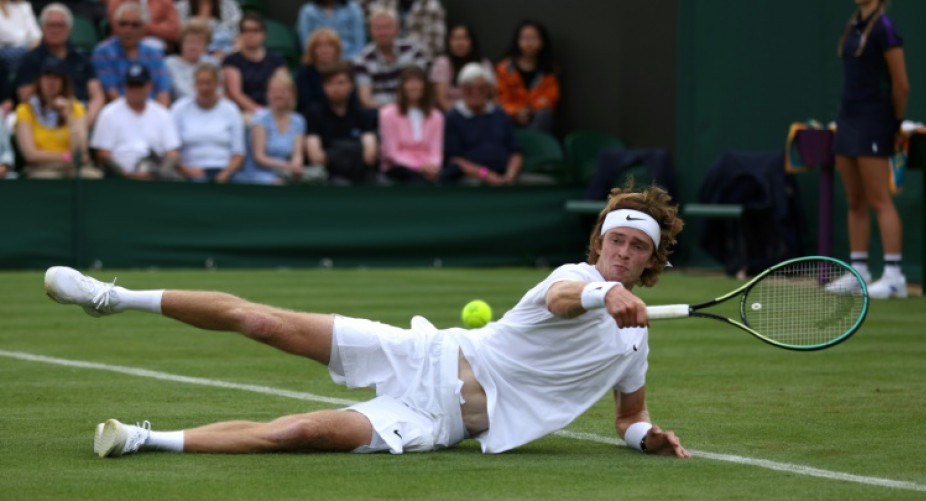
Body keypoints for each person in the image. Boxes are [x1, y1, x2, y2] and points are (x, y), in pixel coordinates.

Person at [43, 183, 690, 459]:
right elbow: (564, 299)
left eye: (636, 248)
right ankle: (112, 295)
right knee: (262, 322)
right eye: (614, 238)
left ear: (650, 262)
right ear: (599, 241)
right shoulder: (571, 280)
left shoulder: (634, 338)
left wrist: (645, 437)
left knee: (297, 432)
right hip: (422, 354)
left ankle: (141, 438)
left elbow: (628, 415)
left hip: (439, 423)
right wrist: (603, 295)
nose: (620, 251)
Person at [826, 0, 910, 300]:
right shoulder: (854, 24)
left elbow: (901, 85)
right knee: (855, 200)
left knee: (879, 198)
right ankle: (858, 272)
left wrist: (893, 122)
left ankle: (894, 276)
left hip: (874, 121)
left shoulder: (885, 28)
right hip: (847, 120)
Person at [15, 2, 105, 123]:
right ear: (42, 28)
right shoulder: (31, 59)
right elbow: (25, 96)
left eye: (60, 25)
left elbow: (97, 96)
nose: (55, 30)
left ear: (70, 29)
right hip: (43, 115)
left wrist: (86, 120)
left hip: (81, 112)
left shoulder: (81, 57)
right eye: (51, 25)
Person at [91, 61, 180, 180]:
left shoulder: (162, 114)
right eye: (131, 85)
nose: (135, 90)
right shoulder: (109, 113)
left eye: (139, 85)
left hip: (155, 175)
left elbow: (172, 153)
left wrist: (161, 173)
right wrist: (125, 174)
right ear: (125, 86)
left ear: (150, 86)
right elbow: (102, 154)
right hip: (119, 178)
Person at [14, 57, 99, 178]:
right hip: (41, 168)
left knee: (91, 177)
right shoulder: (25, 109)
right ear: (39, 80)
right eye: (47, 76)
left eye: (56, 77)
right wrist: (66, 157)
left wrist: (68, 117)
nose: (51, 82)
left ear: (64, 81)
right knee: (47, 178)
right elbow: (30, 155)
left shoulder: (76, 108)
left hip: (73, 168)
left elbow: (81, 152)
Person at [442, 62, 522, 185]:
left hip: (506, 176)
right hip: (471, 180)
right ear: (461, 90)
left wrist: (511, 174)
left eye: (481, 88)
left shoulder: (500, 114)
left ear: (488, 90)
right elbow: (454, 160)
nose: (475, 92)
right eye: (469, 89)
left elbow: (515, 152)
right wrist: (485, 174)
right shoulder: (453, 118)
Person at [233, 69, 313, 185]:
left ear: (292, 94)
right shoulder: (260, 119)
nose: (278, 95)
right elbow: (259, 157)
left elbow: (297, 154)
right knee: (280, 184)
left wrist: (295, 165)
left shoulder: (298, 120)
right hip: (255, 173)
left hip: (285, 172)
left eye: (283, 91)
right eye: (274, 91)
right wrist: (287, 166)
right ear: (268, 94)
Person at [304, 60, 377, 184]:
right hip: (330, 177)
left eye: (341, 83)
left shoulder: (363, 114)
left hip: (360, 174)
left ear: (352, 85)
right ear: (323, 86)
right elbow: (316, 157)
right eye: (330, 83)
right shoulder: (313, 113)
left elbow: (370, 155)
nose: (336, 88)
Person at [171, 61, 244, 183]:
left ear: (218, 84)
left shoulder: (231, 109)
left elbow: (238, 153)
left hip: (223, 170)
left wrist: (225, 173)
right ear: (194, 84)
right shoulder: (179, 109)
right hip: (190, 172)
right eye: (200, 83)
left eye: (209, 83)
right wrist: (186, 170)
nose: (204, 88)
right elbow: (172, 150)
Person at [92, 0, 172, 106]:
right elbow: (111, 93)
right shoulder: (103, 52)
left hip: (152, 113)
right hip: (119, 113)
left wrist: (157, 117)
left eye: (135, 25)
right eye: (123, 24)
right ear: (115, 26)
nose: (128, 29)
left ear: (144, 28)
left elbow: (163, 92)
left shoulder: (155, 53)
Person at [359, 0, 444, 58]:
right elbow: (358, 13)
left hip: (418, 64)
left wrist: (411, 60)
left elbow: (435, 45)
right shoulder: (386, 2)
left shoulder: (430, 5)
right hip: (385, 63)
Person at [352, 7, 427, 109]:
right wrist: (392, 113)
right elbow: (366, 100)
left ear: (397, 29)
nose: (383, 33)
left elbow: (421, 88)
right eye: (378, 28)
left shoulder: (413, 51)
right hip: (380, 113)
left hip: (413, 107)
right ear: (370, 31)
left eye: (387, 27)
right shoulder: (362, 60)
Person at [378, 65, 442, 183]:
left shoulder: (436, 116)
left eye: (418, 82)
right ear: (402, 87)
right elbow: (391, 153)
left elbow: (436, 151)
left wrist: (432, 167)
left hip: (428, 169)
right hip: (398, 168)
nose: (414, 87)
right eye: (409, 82)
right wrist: (418, 167)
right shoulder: (387, 114)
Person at [494, 19, 560, 134]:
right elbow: (500, 98)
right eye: (524, 38)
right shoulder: (504, 68)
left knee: (545, 114)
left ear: (542, 41)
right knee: (498, 113)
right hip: (511, 116)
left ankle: (533, 146)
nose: (529, 43)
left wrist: (530, 110)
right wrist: (516, 112)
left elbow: (551, 97)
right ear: (517, 40)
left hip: (536, 116)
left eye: (534, 38)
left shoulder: (550, 70)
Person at [222, 11, 286, 118]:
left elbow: (283, 87)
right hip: (245, 113)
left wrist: (273, 112)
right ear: (240, 34)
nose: (250, 35)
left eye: (255, 30)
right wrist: (260, 112)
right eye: (245, 30)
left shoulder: (276, 59)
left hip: (275, 110)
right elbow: (236, 94)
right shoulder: (232, 61)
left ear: (264, 34)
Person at [296, 0, 364, 61]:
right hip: (319, 62)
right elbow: (307, 46)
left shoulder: (353, 8)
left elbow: (360, 44)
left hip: (349, 61)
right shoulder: (308, 12)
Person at [174, 0, 241, 58]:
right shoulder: (180, 7)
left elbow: (238, 37)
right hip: (191, 57)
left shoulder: (230, 6)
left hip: (225, 57)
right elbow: (179, 37)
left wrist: (224, 54)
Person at [106, 0, 180, 49]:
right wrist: (158, 28)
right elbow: (118, 28)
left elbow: (174, 31)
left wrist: (145, 26)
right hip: (123, 51)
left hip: (161, 52)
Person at [430, 23, 492, 112]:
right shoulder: (442, 63)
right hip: (452, 116)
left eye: (464, 38)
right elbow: (442, 101)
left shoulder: (483, 63)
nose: (459, 43)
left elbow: (490, 96)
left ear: (471, 41)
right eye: (455, 39)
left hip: (480, 114)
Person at [294, 27, 351, 114]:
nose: (324, 50)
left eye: (330, 45)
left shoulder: (346, 68)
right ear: (312, 50)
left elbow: (353, 101)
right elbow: (304, 104)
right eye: (319, 46)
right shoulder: (304, 72)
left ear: (337, 48)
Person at [165, 18, 217, 100]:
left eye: (198, 43)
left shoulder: (212, 64)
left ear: (206, 46)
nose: (193, 47)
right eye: (190, 41)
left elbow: (219, 93)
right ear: (181, 43)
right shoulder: (169, 64)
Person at [0, 0, 41, 73]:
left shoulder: (24, 6)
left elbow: (37, 37)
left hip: (24, 56)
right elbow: (8, 36)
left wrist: (26, 47)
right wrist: (26, 45)